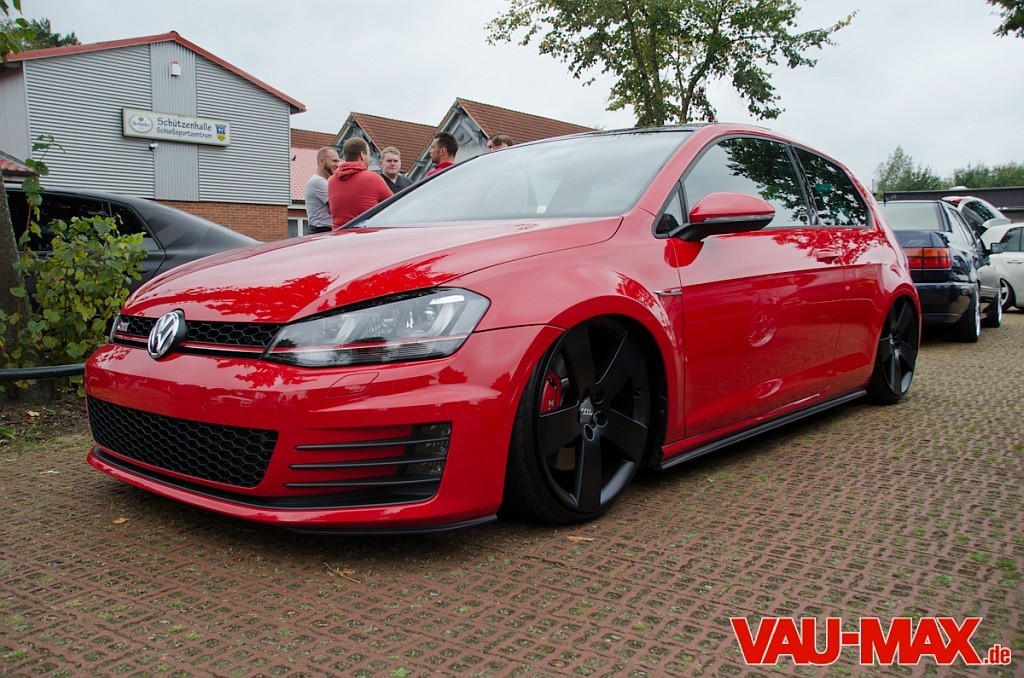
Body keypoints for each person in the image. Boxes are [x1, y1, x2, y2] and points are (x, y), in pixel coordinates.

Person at [327, 138, 393, 228]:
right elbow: (395, 205)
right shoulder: (372, 178)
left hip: (339, 233)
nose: (369, 159)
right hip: (367, 233)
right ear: (362, 155)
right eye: (369, 155)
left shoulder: (331, 181)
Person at [304, 146, 341, 233]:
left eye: (338, 161)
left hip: (324, 230)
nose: (337, 165)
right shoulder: (318, 182)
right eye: (334, 161)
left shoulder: (324, 182)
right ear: (321, 161)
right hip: (322, 230)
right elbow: (337, 207)